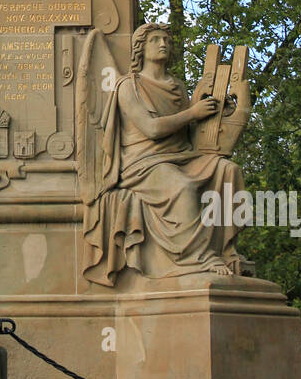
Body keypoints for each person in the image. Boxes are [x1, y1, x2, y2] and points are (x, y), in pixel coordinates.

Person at [82, 24, 245, 286]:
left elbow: (189, 133)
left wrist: (216, 111)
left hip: (181, 156)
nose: (163, 44)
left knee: (228, 170)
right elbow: (152, 128)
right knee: (181, 187)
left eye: (166, 40)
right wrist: (194, 112)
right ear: (140, 49)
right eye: (155, 40)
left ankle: (227, 250)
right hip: (143, 164)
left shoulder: (177, 86)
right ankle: (198, 259)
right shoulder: (128, 86)